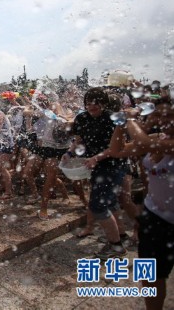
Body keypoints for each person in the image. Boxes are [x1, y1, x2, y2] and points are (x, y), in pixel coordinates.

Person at [109, 97, 174, 310]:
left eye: (169, 115)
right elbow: (117, 150)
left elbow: (145, 144)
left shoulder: (163, 142)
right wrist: (121, 124)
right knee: (152, 276)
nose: (164, 120)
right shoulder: (159, 135)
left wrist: (130, 120)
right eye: (160, 115)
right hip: (154, 217)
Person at [68, 87, 127, 260]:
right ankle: (121, 234)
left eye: (96, 103)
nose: (91, 106)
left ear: (104, 103)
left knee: (98, 205)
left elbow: (118, 146)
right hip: (95, 165)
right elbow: (79, 140)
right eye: (88, 103)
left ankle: (116, 246)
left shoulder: (112, 118)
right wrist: (69, 153)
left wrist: (97, 157)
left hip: (113, 164)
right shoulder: (82, 118)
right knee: (108, 201)